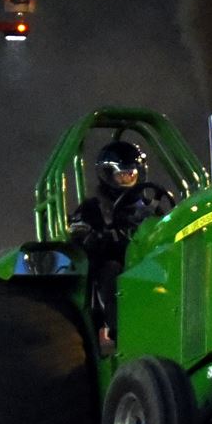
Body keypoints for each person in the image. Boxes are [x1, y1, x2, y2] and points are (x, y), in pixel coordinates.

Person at [68, 138, 167, 342]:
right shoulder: (92, 209)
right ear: (108, 176)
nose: (127, 179)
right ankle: (119, 330)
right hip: (114, 267)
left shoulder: (152, 208)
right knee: (111, 270)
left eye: (131, 174)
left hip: (148, 264)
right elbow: (78, 241)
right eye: (122, 175)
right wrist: (97, 238)